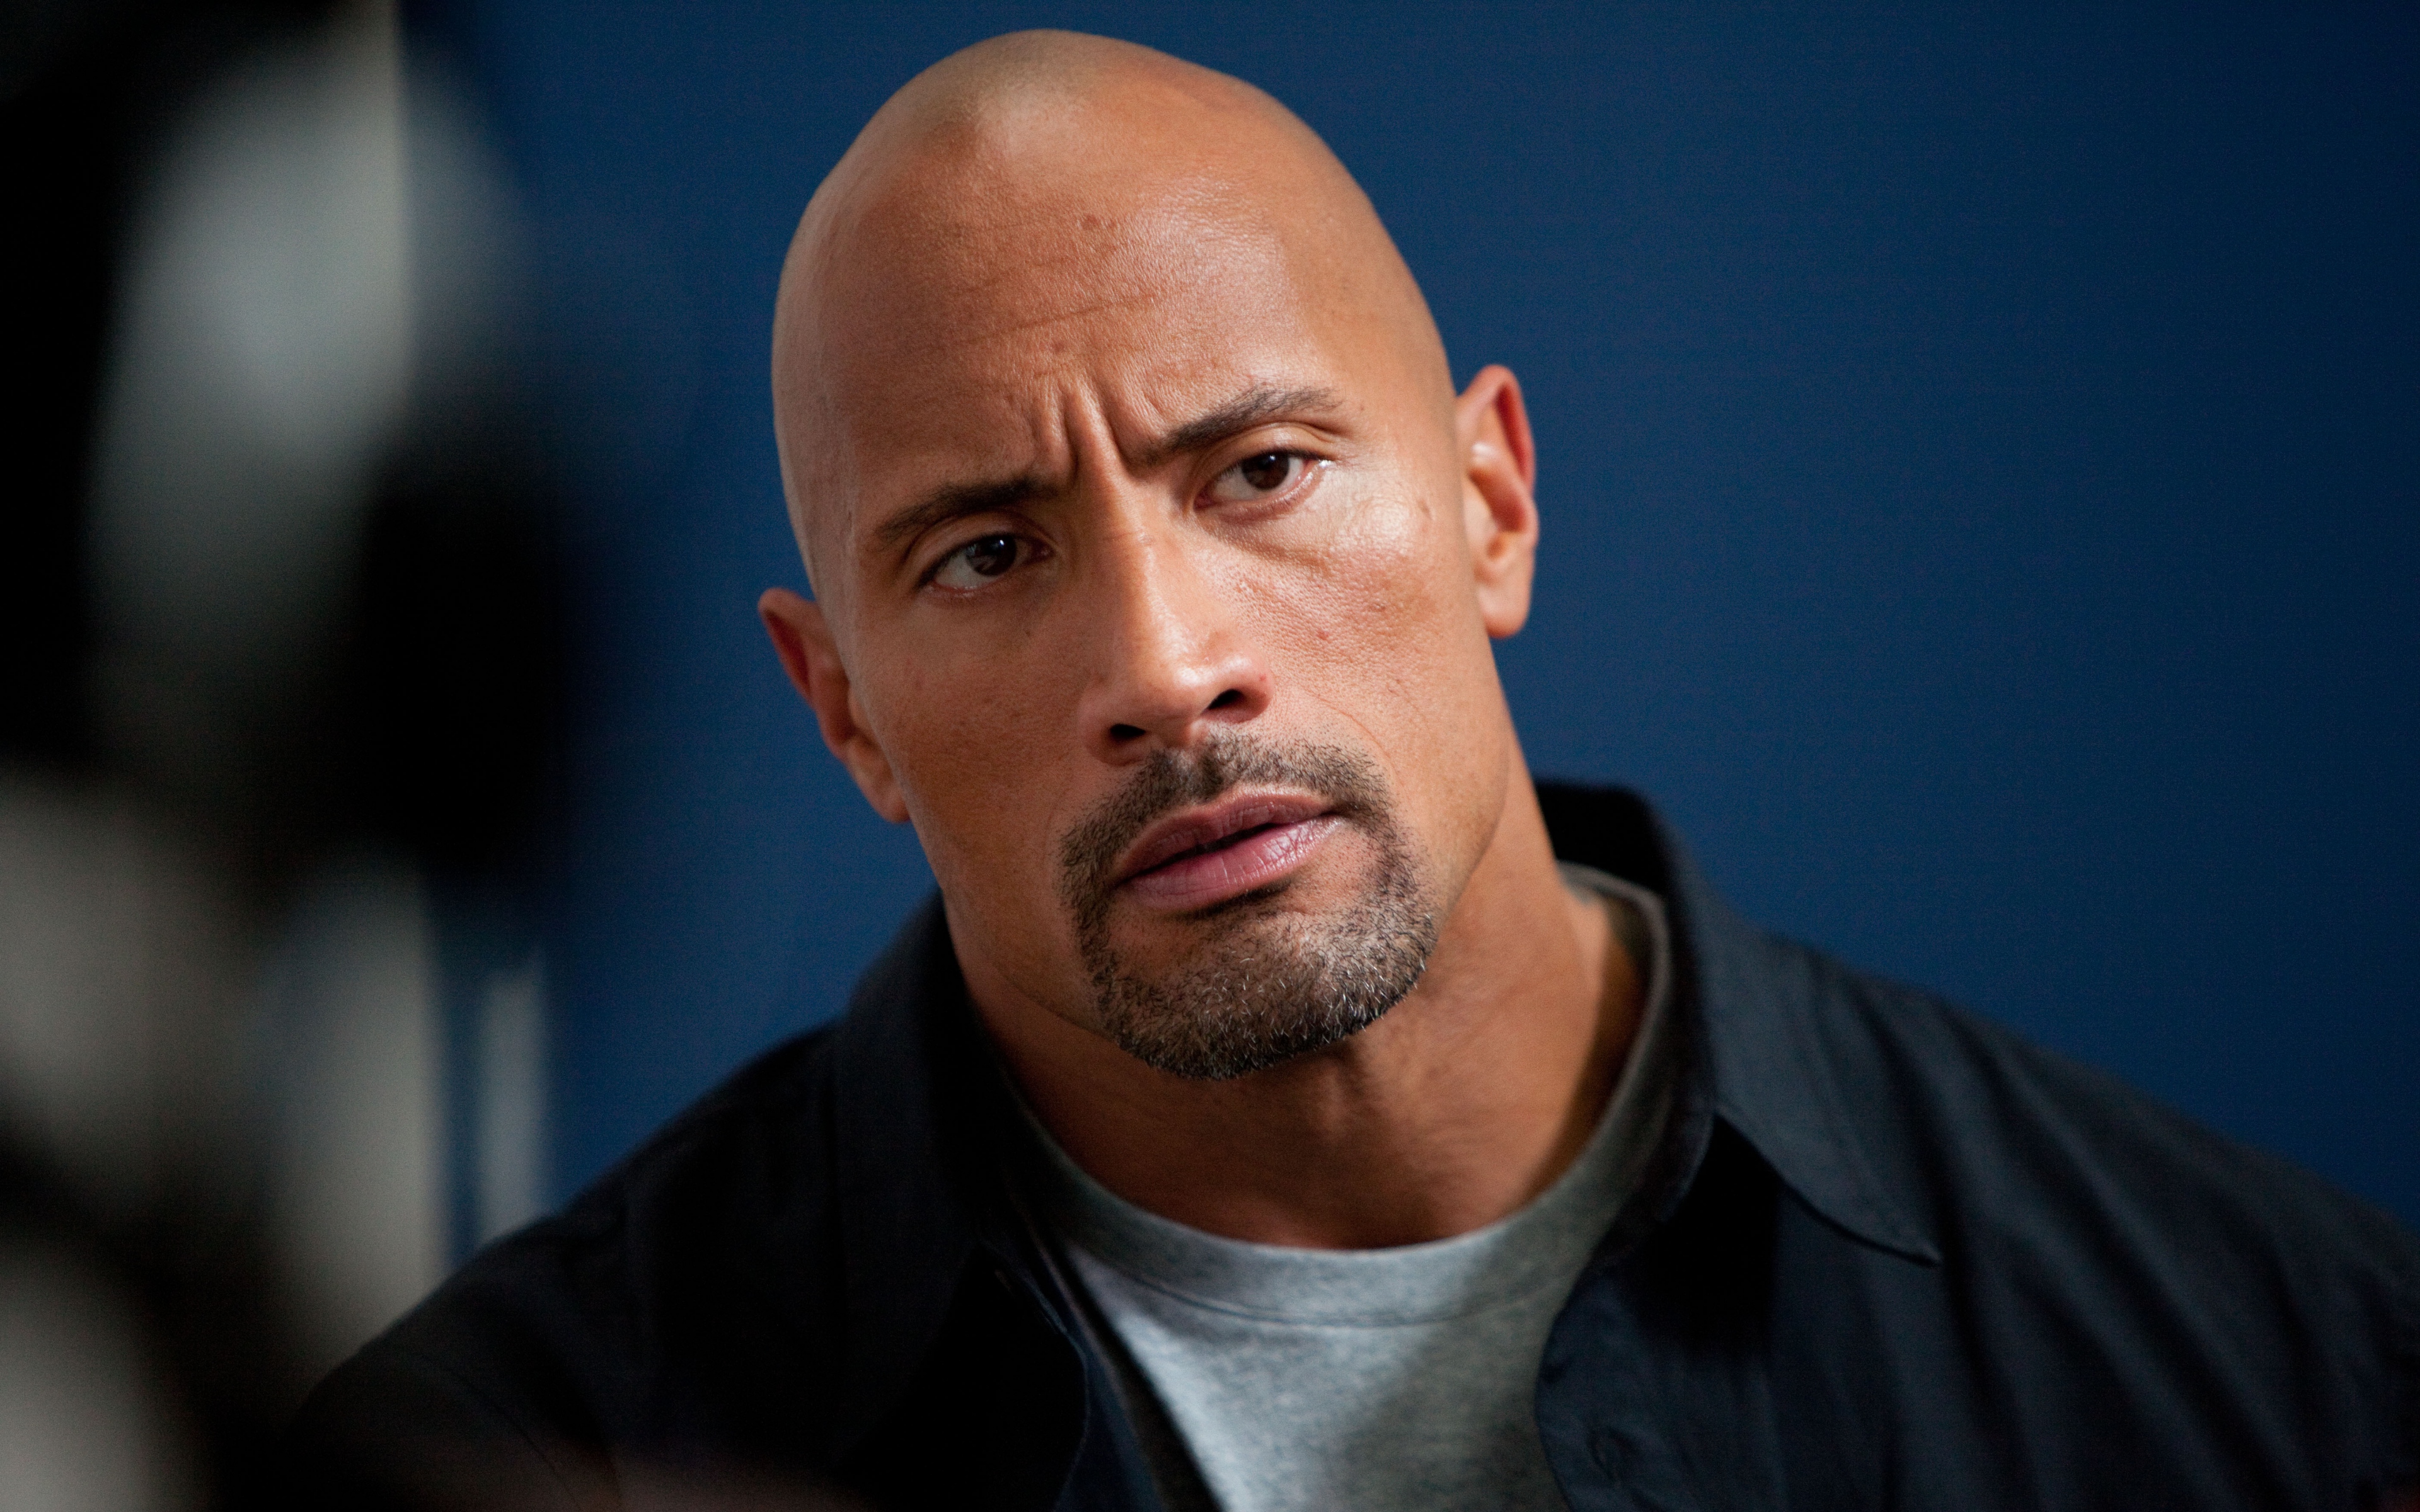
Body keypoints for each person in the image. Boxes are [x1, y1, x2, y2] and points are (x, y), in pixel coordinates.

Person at [282, 30, 2419, 1512]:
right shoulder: (513, 1457)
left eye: (1264, 471)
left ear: (1494, 502)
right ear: (844, 712)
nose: (1168, 669)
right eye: (990, 553)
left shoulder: (2289, 1377)